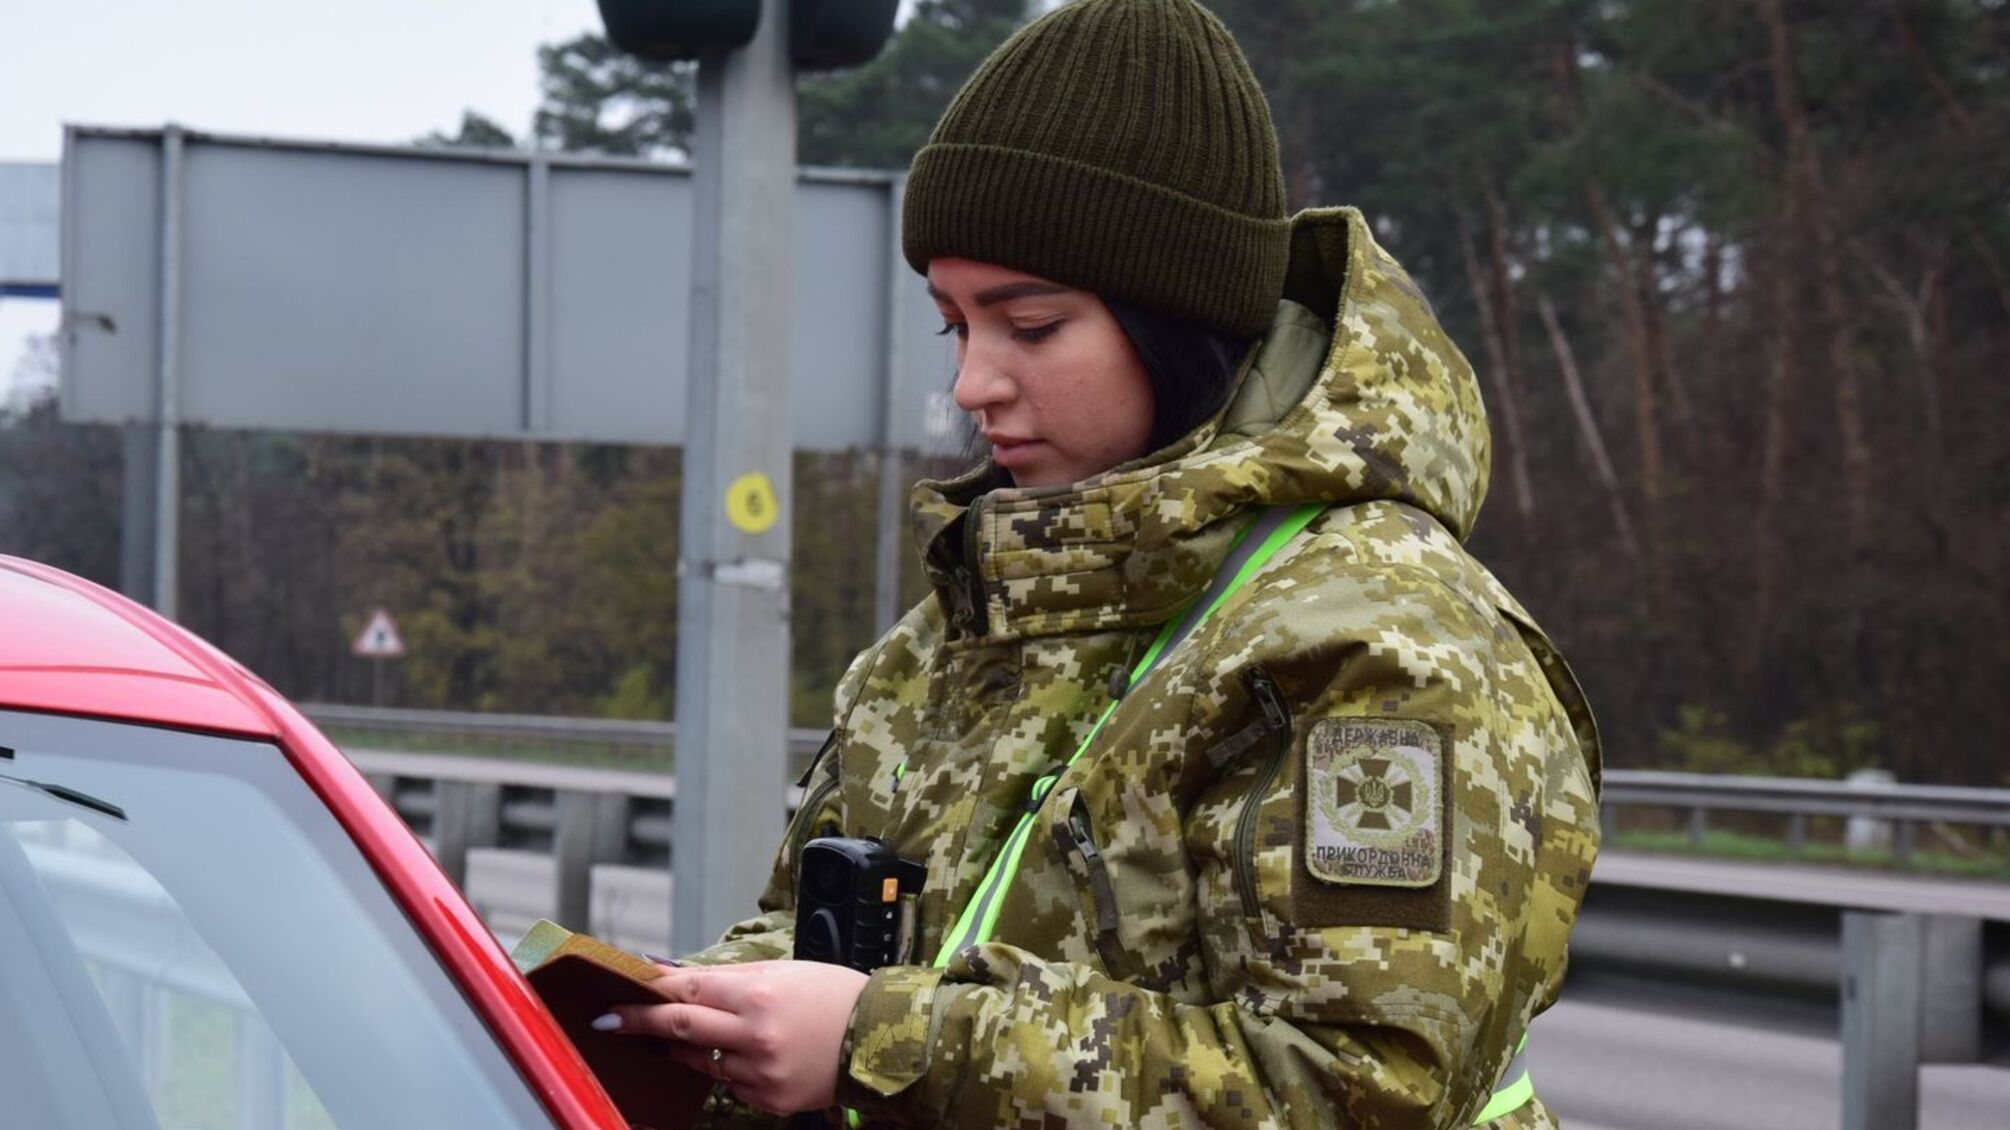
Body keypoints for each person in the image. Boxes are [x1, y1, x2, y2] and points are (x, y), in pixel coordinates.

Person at [595, 1, 1602, 1126]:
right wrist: (683, 1018)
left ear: (1175, 316)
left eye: (1029, 326)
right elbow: (826, 954)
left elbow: (1354, 1084)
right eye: (952, 327)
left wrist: (883, 1042)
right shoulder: (971, 619)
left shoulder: (1378, 638)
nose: (973, 383)